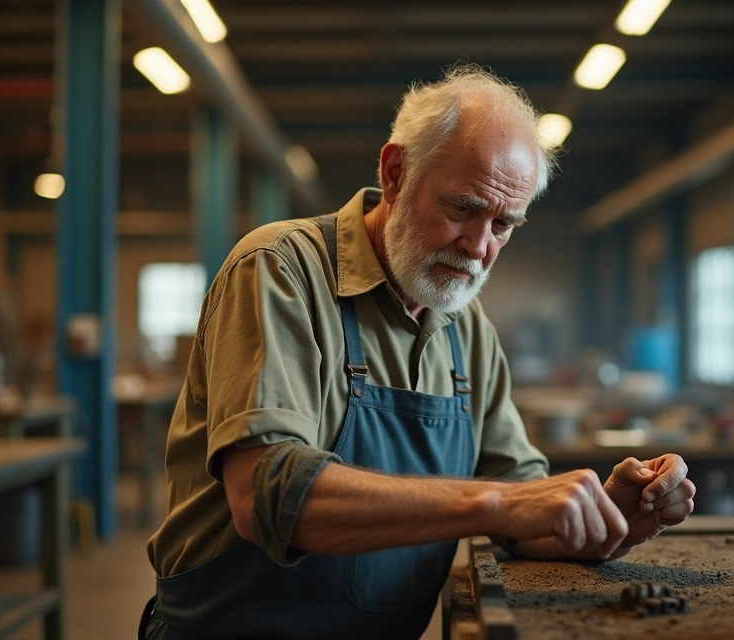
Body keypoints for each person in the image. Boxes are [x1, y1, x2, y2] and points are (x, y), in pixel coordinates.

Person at [141, 65, 696, 640]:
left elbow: (521, 506)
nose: (479, 248)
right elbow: (265, 494)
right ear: (397, 172)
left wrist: (601, 518)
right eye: (462, 208)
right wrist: (495, 504)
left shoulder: (466, 326)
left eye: (504, 224)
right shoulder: (282, 271)